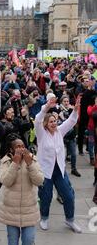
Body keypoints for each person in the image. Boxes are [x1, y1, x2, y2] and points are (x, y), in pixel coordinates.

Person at [34, 94, 82, 233]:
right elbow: (37, 120)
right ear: (46, 124)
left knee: (68, 195)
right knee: (46, 197)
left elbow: (71, 121)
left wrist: (76, 109)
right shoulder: (41, 134)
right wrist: (46, 108)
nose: (54, 123)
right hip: (46, 172)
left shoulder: (60, 131)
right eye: (51, 122)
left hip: (59, 171)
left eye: (55, 121)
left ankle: (70, 220)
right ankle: (44, 218)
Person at [0, 134, 44, 245]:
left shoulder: (32, 159)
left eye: (22, 146)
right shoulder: (5, 161)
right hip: (11, 208)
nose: (20, 149)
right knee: (12, 239)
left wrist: (30, 164)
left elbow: (39, 180)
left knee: (29, 238)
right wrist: (15, 164)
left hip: (29, 207)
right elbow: (5, 181)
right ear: (11, 149)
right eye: (17, 146)